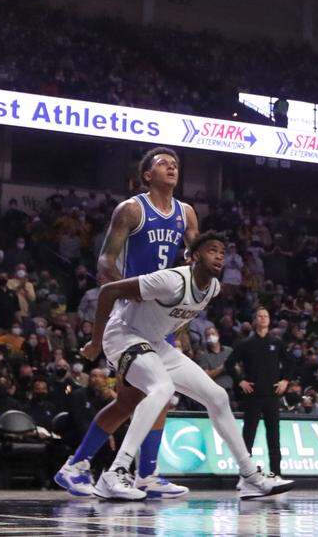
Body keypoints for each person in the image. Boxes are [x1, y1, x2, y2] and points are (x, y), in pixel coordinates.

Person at [63, 232, 286, 500]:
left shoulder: (213, 288)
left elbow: (176, 314)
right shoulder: (172, 280)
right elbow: (109, 291)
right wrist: (96, 341)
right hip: (123, 334)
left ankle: (249, 476)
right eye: (212, 250)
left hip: (155, 342)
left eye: (222, 252)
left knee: (217, 396)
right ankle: (116, 472)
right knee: (162, 388)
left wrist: (176, 337)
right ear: (194, 256)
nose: (219, 256)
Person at [56, 147, 198, 499]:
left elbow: (197, 259)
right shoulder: (132, 209)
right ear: (147, 175)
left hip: (161, 316)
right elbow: (105, 260)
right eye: (163, 164)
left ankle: (137, 473)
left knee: (144, 397)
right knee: (141, 396)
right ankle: (89, 467)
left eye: (175, 164)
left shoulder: (186, 213)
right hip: (131, 314)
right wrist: (128, 289)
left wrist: (190, 284)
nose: (172, 168)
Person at [220, 308, 294, 486]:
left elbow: (290, 362)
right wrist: (240, 381)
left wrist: (285, 380)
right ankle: (244, 475)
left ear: (269, 320)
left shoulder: (276, 342)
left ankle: (276, 474)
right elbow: (229, 363)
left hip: (272, 395)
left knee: (274, 435)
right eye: (260, 316)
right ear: (255, 320)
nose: (263, 318)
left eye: (266, 316)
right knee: (248, 436)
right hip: (253, 395)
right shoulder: (245, 343)